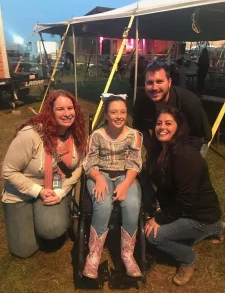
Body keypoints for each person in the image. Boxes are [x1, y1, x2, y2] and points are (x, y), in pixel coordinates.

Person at [1, 90, 86, 258]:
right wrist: (37, 191)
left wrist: (61, 192)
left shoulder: (77, 133)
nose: (67, 113)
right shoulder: (31, 135)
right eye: (60, 109)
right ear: (50, 111)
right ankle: (30, 215)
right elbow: (8, 170)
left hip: (54, 188)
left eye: (70, 108)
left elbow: (81, 166)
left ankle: (55, 212)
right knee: (23, 250)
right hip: (21, 191)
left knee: (51, 230)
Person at [144, 108, 224, 286]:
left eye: (168, 123)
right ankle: (217, 227)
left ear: (179, 127)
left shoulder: (184, 155)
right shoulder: (162, 149)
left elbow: (184, 200)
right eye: (159, 123)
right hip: (186, 210)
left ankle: (188, 259)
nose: (162, 127)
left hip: (198, 215)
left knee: (154, 236)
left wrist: (160, 218)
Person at [82, 93, 143, 279]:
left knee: (132, 204)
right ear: (106, 115)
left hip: (126, 175)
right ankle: (93, 256)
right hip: (100, 174)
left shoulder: (134, 135)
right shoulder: (97, 136)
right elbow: (89, 162)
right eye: (114, 112)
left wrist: (125, 184)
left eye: (123, 112)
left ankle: (127, 254)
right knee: (103, 203)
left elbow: (135, 163)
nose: (119, 116)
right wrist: (98, 178)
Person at [133, 62, 212, 156]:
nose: (154, 88)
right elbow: (141, 128)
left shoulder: (189, 102)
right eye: (150, 82)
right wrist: (152, 153)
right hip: (163, 135)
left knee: (184, 167)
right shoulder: (141, 100)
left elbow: (197, 136)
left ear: (169, 82)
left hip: (192, 139)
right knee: (155, 164)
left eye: (159, 81)